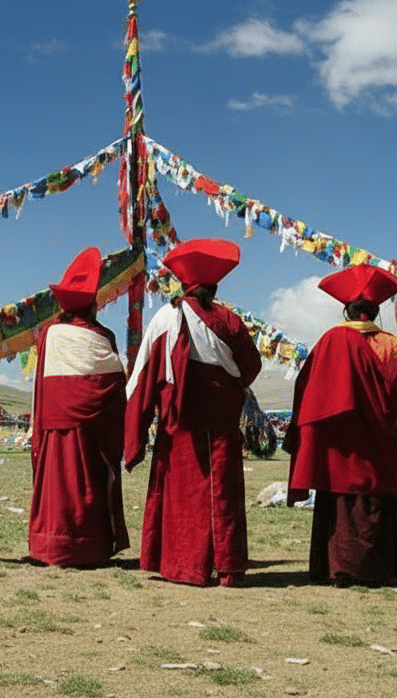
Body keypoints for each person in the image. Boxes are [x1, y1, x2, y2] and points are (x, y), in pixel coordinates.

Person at [124, 238, 262, 587]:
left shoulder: (164, 319)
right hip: (221, 425)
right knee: (223, 493)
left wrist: (133, 436)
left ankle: (183, 564)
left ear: (184, 283)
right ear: (214, 287)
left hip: (179, 426)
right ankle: (228, 568)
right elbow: (250, 366)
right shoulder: (230, 321)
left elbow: (143, 378)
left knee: (183, 494)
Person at [283, 265, 397, 586]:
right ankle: (375, 567)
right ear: (376, 311)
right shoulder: (391, 345)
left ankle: (335, 566)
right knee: (375, 495)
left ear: (346, 311)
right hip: (377, 438)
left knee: (337, 501)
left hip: (337, 443)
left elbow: (308, 388)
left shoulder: (328, 341)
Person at [27, 246, 131, 567]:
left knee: (57, 487)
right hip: (93, 432)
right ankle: (90, 548)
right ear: (93, 305)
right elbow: (115, 385)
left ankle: (51, 548)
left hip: (54, 427)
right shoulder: (104, 336)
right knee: (88, 486)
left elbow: (42, 388)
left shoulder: (49, 334)